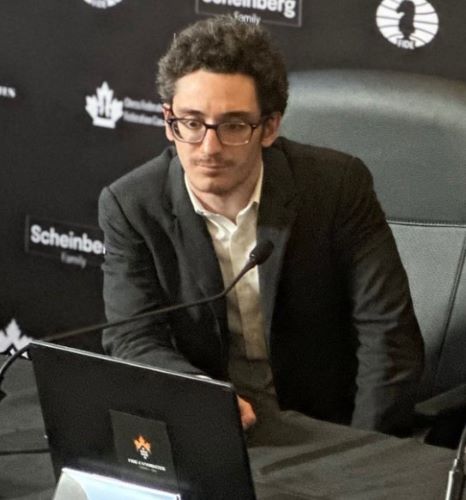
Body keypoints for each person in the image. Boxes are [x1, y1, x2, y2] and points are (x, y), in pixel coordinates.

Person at [98, 15, 424, 438]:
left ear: (269, 127)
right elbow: (133, 339)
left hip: (327, 426)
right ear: (167, 120)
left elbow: (388, 335)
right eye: (191, 123)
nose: (208, 148)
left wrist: (364, 449)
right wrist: (203, 400)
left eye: (233, 126)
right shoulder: (131, 205)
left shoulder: (337, 186)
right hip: (216, 425)